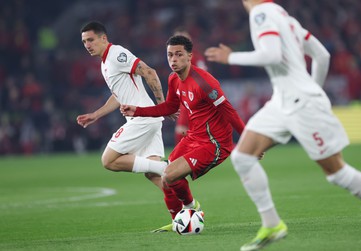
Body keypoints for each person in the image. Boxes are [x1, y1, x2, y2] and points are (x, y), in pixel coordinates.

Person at [204, 1, 361, 251]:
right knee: (242, 157)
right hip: (282, 101)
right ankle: (272, 223)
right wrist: (313, 87)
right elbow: (322, 55)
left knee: (337, 173)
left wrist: (231, 56)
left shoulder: (261, 13)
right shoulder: (287, 19)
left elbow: (272, 55)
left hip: (301, 103)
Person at [120, 35, 245, 232]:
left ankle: (191, 209)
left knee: (169, 175)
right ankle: (178, 220)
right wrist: (138, 110)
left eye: (178, 55)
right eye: (170, 55)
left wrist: (247, 140)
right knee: (163, 176)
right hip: (194, 137)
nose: (173, 59)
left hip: (214, 144)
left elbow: (228, 111)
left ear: (189, 56)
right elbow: (170, 107)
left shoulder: (204, 82)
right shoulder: (173, 79)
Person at [77, 21, 171, 194]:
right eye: (84, 42)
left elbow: (150, 73)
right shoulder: (105, 63)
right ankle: (188, 208)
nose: (87, 45)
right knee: (153, 174)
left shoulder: (116, 54)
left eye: (90, 40)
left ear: (103, 38)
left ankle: (165, 167)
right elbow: (118, 96)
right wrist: (96, 114)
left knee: (109, 160)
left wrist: (162, 106)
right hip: (149, 120)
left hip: (142, 118)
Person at [172, 27, 208, 145]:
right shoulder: (177, 56)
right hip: (186, 93)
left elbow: (204, 74)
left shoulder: (193, 55)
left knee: (182, 128)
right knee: (187, 127)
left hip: (191, 94)